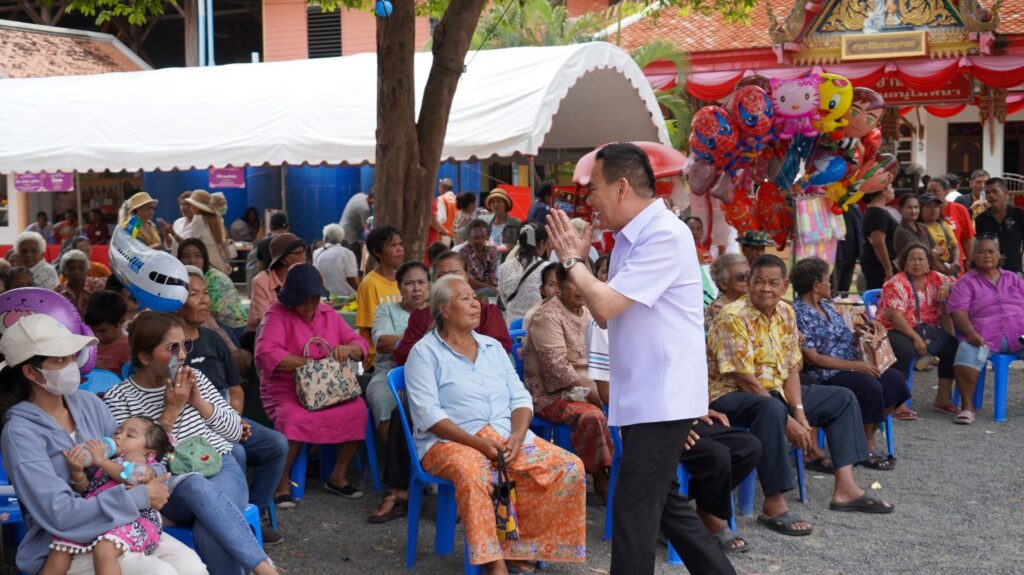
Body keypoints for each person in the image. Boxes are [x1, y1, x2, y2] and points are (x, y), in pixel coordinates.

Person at [546, 143, 735, 575]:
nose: (590, 200)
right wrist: (581, 264)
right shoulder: (631, 238)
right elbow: (604, 314)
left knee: (632, 511)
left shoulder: (665, 234)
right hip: (642, 395)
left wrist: (573, 260)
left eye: (594, 189)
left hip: (661, 396)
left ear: (621, 187)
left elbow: (605, 305)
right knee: (663, 504)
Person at [406, 275, 586, 574]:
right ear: (444, 310)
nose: (475, 303)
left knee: (567, 466)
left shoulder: (492, 347)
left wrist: (517, 435)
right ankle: (494, 562)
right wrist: (477, 443)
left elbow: (520, 398)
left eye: (474, 297)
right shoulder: (424, 353)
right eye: (465, 299)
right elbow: (429, 415)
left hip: (504, 436)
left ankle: (520, 546)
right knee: (473, 471)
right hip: (450, 442)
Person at [0, 314, 206, 575]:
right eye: (60, 360)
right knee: (158, 572)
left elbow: (133, 455)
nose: (72, 365)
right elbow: (60, 515)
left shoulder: (89, 404)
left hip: (126, 523)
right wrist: (140, 496)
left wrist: (149, 474)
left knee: (191, 566)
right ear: (31, 372)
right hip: (63, 544)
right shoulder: (20, 433)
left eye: (72, 356)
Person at [708, 255, 894, 537]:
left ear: (785, 286)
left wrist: (799, 411)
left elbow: (792, 368)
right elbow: (744, 380)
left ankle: (846, 488)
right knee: (770, 410)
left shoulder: (786, 312)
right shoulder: (733, 315)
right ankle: (774, 504)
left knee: (842, 398)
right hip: (730, 393)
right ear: (749, 283)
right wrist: (787, 420)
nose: (765, 288)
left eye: (773, 283)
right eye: (758, 281)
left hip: (775, 391)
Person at [105, 312, 277, 575]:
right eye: (172, 348)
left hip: (220, 467)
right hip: (169, 483)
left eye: (185, 344)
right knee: (194, 483)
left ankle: (263, 569)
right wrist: (170, 413)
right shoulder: (120, 397)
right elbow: (132, 464)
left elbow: (234, 433)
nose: (183, 355)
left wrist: (199, 403)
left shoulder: (195, 378)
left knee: (209, 530)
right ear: (145, 357)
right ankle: (264, 568)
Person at [372, 252, 511, 524]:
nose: (449, 280)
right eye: (441, 275)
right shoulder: (424, 316)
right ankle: (399, 491)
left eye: (455, 274)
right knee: (406, 412)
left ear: (467, 278)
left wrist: (463, 341)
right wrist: (434, 338)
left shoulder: (485, 311)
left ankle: (470, 495)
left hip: (478, 391)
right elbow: (403, 353)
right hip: (435, 387)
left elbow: (501, 348)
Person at [176, 267, 286, 541]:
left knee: (275, 444)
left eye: (205, 293)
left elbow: (235, 388)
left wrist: (233, 420)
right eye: (194, 294)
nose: (204, 300)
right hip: (190, 427)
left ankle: (253, 514)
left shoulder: (214, 339)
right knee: (235, 453)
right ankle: (229, 521)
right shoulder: (169, 346)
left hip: (224, 417)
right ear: (176, 301)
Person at [255, 264, 370, 506]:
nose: (309, 307)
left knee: (358, 410)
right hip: (285, 389)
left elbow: (360, 344)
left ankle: (338, 476)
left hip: (329, 389)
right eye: (303, 301)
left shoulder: (327, 313)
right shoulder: (276, 314)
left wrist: (348, 349)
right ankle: (281, 482)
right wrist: (306, 363)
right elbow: (265, 353)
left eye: (314, 300)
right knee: (292, 418)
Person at [792, 257, 911, 459]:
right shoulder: (798, 313)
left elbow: (846, 338)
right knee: (870, 386)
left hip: (852, 364)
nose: (830, 284)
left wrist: (862, 332)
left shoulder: (826, 306)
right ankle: (866, 443)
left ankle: (864, 435)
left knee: (895, 380)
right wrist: (855, 366)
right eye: (827, 280)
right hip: (826, 372)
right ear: (816, 285)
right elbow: (812, 358)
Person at [523, 263, 612, 498]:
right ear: (560, 284)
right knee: (593, 415)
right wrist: (594, 393)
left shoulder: (590, 312)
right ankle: (601, 477)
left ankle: (621, 469)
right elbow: (557, 370)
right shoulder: (547, 316)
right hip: (553, 392)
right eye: (573, 282)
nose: (580, 288)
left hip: (593, 383)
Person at [45, 416, 173, 574]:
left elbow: (134, 476)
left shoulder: (139, 459)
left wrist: (101, 461)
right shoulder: (110, 463)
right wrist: (77, 472)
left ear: (149, 452)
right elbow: (88, 492)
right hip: (105, 517)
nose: (118, 436)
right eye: (118, 432)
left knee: (105, 549)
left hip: (136, 519)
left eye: (130, 435)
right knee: (61, 546)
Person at [947, 237, 1024, 424]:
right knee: (966, 350)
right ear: (973, 257)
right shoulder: (966, 282)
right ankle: (967, 407)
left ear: (999, 256)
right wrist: (970, 333)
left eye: (991, 251)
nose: (987, 255)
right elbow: (958, 313)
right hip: (984, 336)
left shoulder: (1013, 278)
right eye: (981, 252)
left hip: (1019, 334)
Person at [877, 243, 959, 415]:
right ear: (904, 263)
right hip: (893, 329)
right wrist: (916, 338)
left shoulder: (936, 278)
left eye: (921, 259)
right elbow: (894, 317)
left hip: (924, 330)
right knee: (905, 349)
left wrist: (948, 286)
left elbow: (960, 283)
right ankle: (898, 404)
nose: (916, 263)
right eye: (912, 259)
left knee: (952, 346)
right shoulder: (896, 283)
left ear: (929, 262)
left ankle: (943, 399)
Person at [365, 261, 429, 441]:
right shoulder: (386, 310)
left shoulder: (437, 311)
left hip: (429, 374)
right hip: (389, 373)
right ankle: (394, 455)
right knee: (383, 400)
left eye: (421, 282)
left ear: (429, 285)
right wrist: (420, 338)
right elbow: (383, 342)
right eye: (409, 283)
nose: (416, 289)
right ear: (399, 288)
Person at [178, 239, 248, 337]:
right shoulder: (186, 277)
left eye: (198, 256)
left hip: (232, 328)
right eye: (185, 256)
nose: (192, 260)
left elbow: (204, 314)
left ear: (205, 258)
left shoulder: (215, 279)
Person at [356, 226, 404, 369]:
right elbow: (372, 331)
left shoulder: (403, 280)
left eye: (400, 244)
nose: (400, 249)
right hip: (379, 358)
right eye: (393, 245)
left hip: (402, 349)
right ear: (377, 252)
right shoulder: (370, 284)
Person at [248, 233, 307, 330]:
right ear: (283, 260)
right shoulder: (261, 281)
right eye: (298, 253)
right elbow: (264, 319)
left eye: (304, 252)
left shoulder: (303, 278)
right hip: (266, 333)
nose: (304, 257)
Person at [498, 225, 552, 325]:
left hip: (512, 327)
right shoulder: (548, 268)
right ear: (542, 243)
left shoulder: (503, 268)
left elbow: (504, 299)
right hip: (538, 325)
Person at [975, 178, 1024, 273]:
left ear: (1005, 193)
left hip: (1014, 271)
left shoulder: (1019, 214)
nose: (991, 195)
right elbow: (980, 246)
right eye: (987, 193)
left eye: (995, 191)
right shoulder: (981, 219)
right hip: (989, 271)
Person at [182, 190, 236, 275]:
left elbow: (190, 241)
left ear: (197, 207)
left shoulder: (198, 220)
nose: (191, 208)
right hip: (219, 262)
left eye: (192, 205)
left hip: (206, 262)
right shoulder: (216, 219)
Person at [860, 173, 899, 289]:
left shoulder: (877, 210)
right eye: (891, 187)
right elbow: (878, 242)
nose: (893, 190)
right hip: (878, 264)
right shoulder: (877, 212)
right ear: (883, 190)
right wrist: (888, 268)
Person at [929, 177, 975, 272]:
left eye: (935, 191)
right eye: (928, 191)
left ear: (946, 191)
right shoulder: (923, 211)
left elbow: (967, 239)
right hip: (931, 269)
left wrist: (971, 264)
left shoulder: (960, 209)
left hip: (955, 267)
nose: (931, 194)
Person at [84, 290, 131, 374]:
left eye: (103, 331)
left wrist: (101, 369)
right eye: (92, 329)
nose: (96, 335)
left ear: (121, 321)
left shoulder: (127, 349)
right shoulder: (87, 339)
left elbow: (127, 380)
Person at [54, 250, 107, 315]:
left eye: (81, 268)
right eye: (71, 269)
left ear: (87, 270)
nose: (77, 272)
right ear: (64, 272)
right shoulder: (58, 292)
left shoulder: (98, 285)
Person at [313, 223, 359, 298]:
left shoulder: (316, 253)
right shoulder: (347, 253)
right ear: (341, 238)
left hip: (324, 298)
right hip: (346, 298)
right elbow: (351, 278)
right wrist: (361, 292)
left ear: (326, 238)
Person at [919, 193, 960, 276]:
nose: (933, 209)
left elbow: (955, 247)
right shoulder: (919, 228)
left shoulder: (944, 225)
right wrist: (943, 270)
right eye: (929, 207)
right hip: (930, 271)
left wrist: (955, 262)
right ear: (920, 210)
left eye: (936, 206)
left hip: (948, 267)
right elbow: (927, 255)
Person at [705, 254, 749, 330]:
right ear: (723, 284)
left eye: (749, 275)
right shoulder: (719, 310)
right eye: (740, 277)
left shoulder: (749, 301)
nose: (746, 279)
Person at [892, 193, 934, 260]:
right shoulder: (901, 232)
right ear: (900, 209)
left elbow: (935, 247)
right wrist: (933, 253)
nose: (913, 211)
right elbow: (915, 255)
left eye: (916, 207)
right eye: (909, 207)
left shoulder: (923, 227)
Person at [462, 219, 499, 293]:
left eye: (481, 232)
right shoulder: (464, 252)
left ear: (487, 236)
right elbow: (468, 279)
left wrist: (492, 287)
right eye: (475, 233)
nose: (479, 235)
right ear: (469, 236)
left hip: (487, 289)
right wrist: (488, 286)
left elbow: (493, 277)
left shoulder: (492, 252)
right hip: (469, 290)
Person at [833, 203, 863, 294]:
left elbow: (858, 230)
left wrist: (860, 253)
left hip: (850, 253)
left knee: (844, 287)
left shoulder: (852, 207)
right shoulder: (828, 205)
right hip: (833, 254)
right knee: (832, 287)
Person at [482, 188, 522, 253]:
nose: (496, 205)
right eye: (493, 202)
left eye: (499, 201)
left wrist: (511, 247)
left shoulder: (516, 223)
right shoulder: (486, 224)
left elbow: (523, 245)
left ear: (505, 204)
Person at [522, 262, 559, 327]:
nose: (558, 290)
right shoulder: (534, 317)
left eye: (563, 284)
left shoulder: (576, 310)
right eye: (552, 285)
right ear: (543, 290)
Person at [339, 192, 373, 258]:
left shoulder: (359, 195)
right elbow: (367, 229)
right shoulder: (365, 209)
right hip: (350, 236)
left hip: (341, 230)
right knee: (355, 257)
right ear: (371, 198)